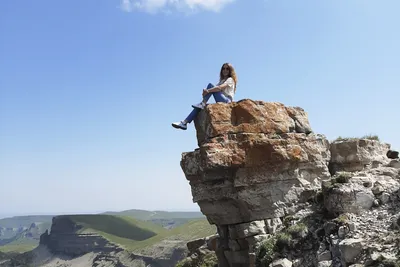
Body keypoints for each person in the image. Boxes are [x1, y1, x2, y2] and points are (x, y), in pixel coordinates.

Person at [172, 63, 238, 130]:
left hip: (227, 101)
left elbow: (219, 88)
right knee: (199, 107)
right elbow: (214, 89)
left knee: (210, 86)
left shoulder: (230, 79)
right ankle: (184, 122)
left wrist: (208, 91)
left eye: (227, 69)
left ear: (230, 70)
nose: (225, 70)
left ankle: (202, 103)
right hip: (221, 100)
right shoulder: (221, 81)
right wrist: (205, 93)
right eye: (223, 68)